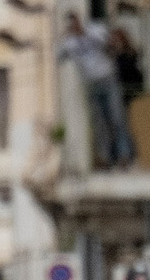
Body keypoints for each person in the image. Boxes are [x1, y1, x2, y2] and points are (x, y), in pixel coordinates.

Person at [56, 11, 134, 169]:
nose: (74, 27)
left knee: (117, 118)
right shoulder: (70, 42)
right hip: (91, 84)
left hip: (108, 79)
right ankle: (105, 157)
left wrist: (85, 34)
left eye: (75, 22)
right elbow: (58, 56)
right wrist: (62, 38)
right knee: (99, 123)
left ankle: (124, 154)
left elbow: (110, 43)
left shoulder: (94, 30)